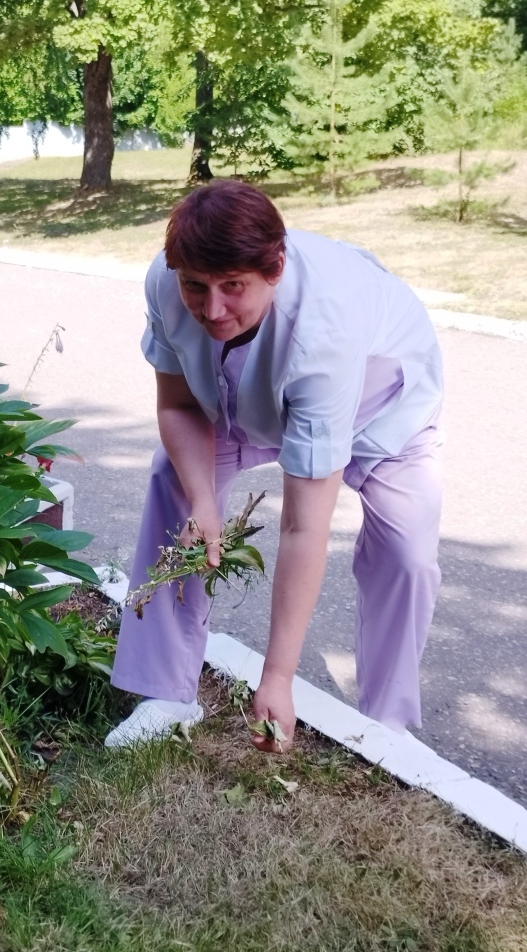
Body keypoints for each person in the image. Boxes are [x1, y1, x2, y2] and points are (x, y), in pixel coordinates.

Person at [105, 180, 443, 752]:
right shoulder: (166, 282)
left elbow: (304, 525)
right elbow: (180, 404)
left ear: (276, 267)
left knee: (406, 552)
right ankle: (165, 690)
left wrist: (278, 679)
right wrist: (204, 501)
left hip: (381, 401)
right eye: (196, 287)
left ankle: (385, 726)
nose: (212, 309)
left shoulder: (324, 330)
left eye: (232, 287)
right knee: (175, 481)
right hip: (253, 394)